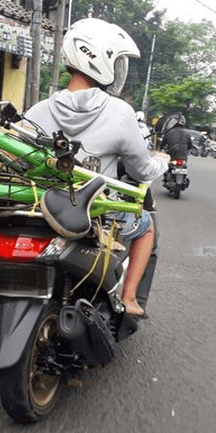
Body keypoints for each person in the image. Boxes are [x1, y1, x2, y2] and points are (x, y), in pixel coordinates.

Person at [23, 18, 167, 318]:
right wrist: (161, 163)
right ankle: (128, 298)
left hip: (39, 207)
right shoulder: (120, 112)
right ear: (100, 60)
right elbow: (142, 171)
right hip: (95, 216)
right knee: (147, 225)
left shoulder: (38, 110)